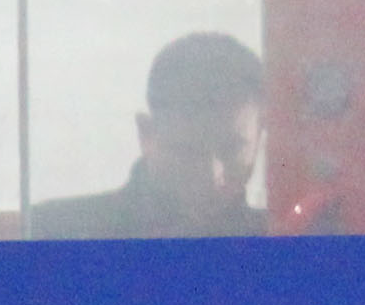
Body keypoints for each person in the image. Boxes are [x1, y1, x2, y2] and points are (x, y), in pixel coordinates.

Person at [31, 30, 267, 240]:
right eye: (188, 151)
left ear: (261, 136)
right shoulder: (50, 232)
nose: (211, 175)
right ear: (146, 133)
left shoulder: (277, 234)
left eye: (232, 149)